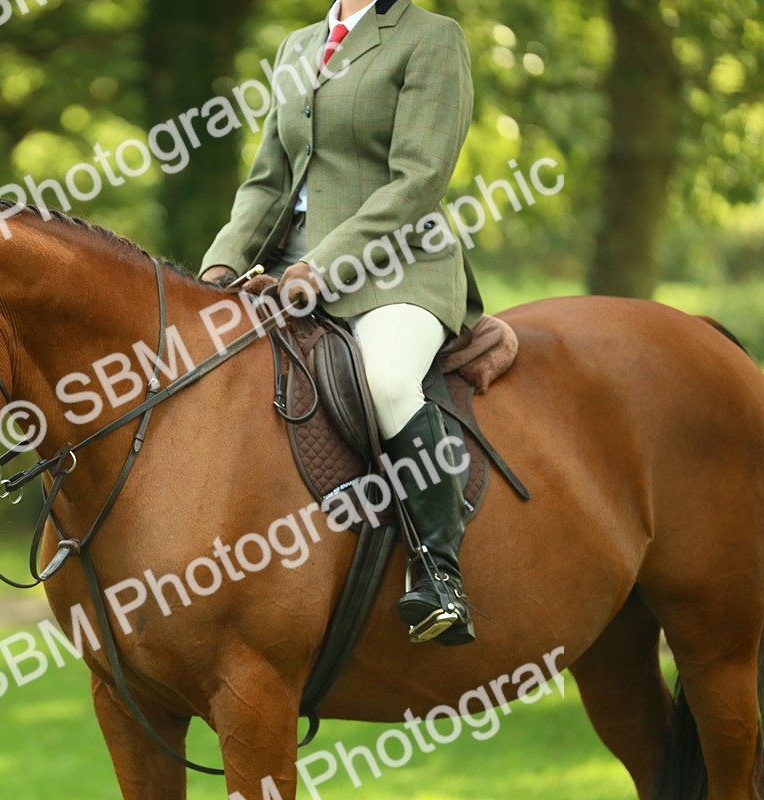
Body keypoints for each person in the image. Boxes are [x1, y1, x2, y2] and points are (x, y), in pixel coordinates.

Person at [200, 0, 484, 645]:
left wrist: (323, 266)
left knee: (386, 380)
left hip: (397, 268)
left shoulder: (431, 39)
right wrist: (219, 269)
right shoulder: (300, 46)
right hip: (286, 268)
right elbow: (268, 183)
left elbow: (418, 182)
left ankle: (439, 573)